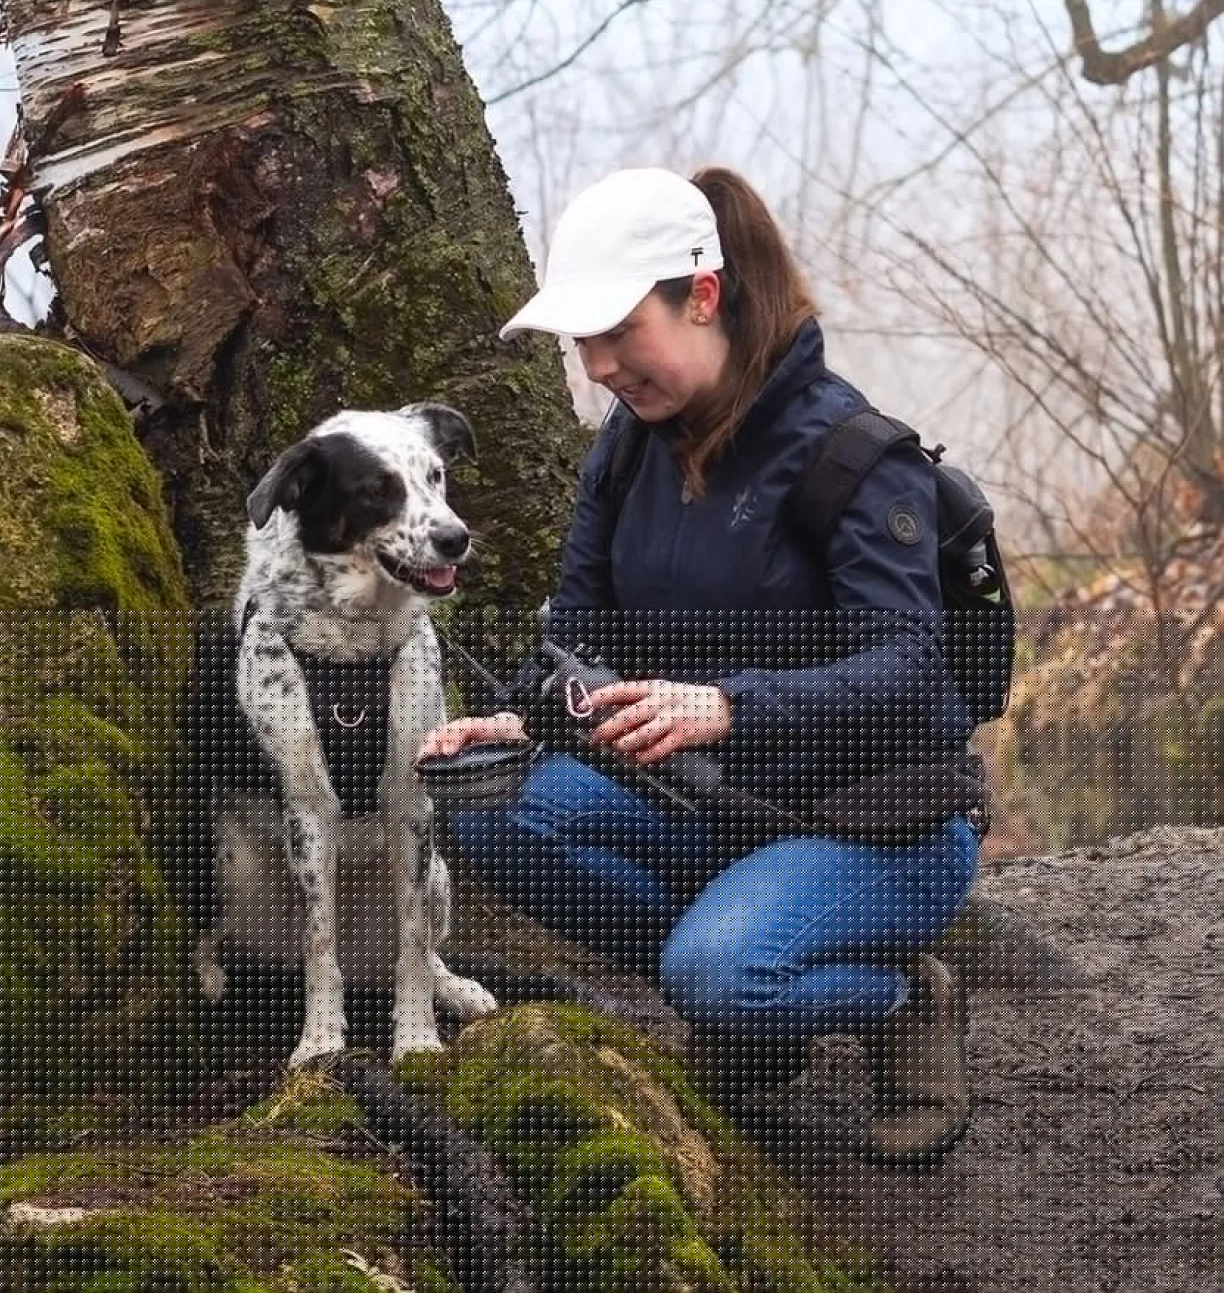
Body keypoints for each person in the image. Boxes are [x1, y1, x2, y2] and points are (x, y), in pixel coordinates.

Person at [418, 165, 981, 1165]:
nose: (597, 365)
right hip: (715, 810)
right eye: (581, 340)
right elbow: (577, 633)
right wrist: (516, 720)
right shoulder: (627, 449)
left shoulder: (854, 455)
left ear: (703, 296)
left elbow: (907, 668)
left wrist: (726, 706)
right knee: (488, 803)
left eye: (617, 331)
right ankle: (746, 992)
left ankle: (895, 997)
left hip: (878, 825)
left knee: (719, 971)